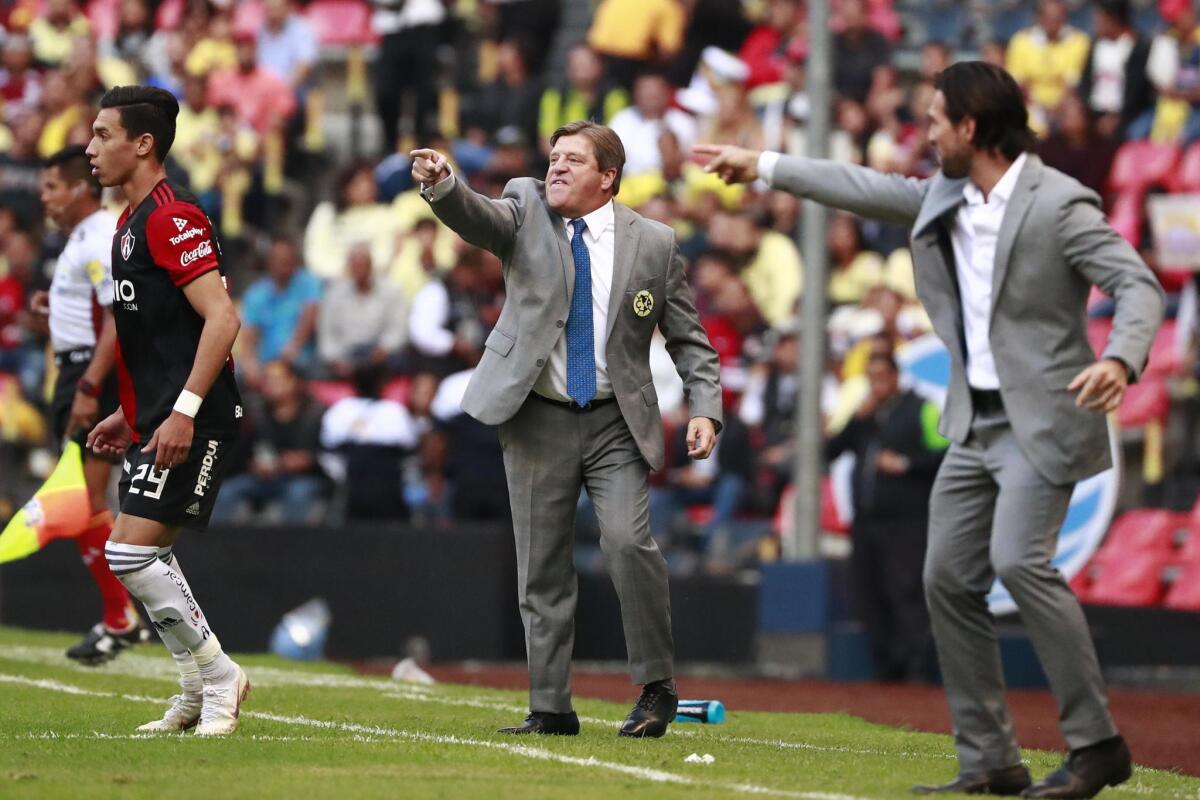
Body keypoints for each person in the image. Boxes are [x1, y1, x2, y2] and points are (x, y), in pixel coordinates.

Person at [697, 60, 1164, 797]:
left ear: (971, 128)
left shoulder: (1058, 204)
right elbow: (866, 188)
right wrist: (764, 166)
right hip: (972, 425)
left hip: (1041, 422)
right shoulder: (945, 194)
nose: (926, 132)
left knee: (1020, 563)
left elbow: (1137, 284)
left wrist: (1121, 359)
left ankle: (1097, 743)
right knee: (945, 579)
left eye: (936, 120)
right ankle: (990, 759)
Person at [411, 119, 722, 738]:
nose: (555, 168)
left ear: (607, 177)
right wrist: (445, 184)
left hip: (615, 419)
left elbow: (690, 338)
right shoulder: (525, 205)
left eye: (573, 161)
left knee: (629, 544)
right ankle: (551, 706)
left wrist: (705, 406)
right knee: (542, 568)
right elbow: (479, 218)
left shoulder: (654, 243)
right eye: (554, 157)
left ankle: (657, 687)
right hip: (536, 416)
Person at [84, 85, 250, 736]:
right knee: (147, 557)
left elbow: (222, 319)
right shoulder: (128, 223)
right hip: (158, 417)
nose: (91, 148)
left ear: (142, 143)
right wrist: (131, 413)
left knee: (128, 555)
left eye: (103, 135)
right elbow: (156, 337)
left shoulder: (169, 216)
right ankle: (193, 687)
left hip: (196, 419)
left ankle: (219, 677)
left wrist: (182, 412)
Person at [30, 145, 151, 664]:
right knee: (86, 500)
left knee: (85, 500)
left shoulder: (101, 235)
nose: (45, 198)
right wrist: (54, 308)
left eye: (52, 187)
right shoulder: (82, 237)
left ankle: (121, 618)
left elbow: (117, 317)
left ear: (80, 188)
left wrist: (89, 387)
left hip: (88, 376)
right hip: (78, 368)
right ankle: (122, 615)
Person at [825, 336, 947, 682]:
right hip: (866, 521)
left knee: (905, 591)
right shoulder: (866, 418)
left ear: (895, 377)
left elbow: (945, 456)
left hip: (906, 520)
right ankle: (886, 668)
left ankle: (915, 667)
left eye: (881, 378)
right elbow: (829, 451)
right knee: (868, 594)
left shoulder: (921, 408)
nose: (876, 386)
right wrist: (854, 420)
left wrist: (906, 464)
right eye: (871, 379)